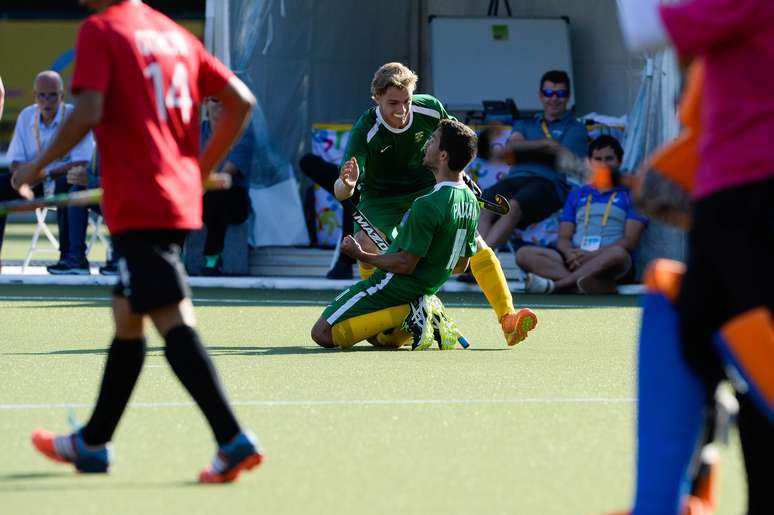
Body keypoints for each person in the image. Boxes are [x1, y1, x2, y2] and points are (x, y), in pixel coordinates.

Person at [12, 0, 262, 483]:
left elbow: (89, 109)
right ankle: (93, 444)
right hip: (171, 202)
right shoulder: (175, 35)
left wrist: (35, 166)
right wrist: (200, 169)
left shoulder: (102, 30)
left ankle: (232, 440)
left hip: (141, 204)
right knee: (128, 318)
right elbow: (241, 102)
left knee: (171, 318)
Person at [614, 1, 774, 514]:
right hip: (737, 196)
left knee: (742, 346)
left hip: (750, 198)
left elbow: (643, 26)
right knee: (691, 326)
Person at [334, 62, 537, 347]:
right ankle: (377, 319)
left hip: (429, 188)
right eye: (392, 103)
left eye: (406, 101)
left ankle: (509, 320)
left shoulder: (428, 107)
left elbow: (456, 141)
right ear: (376, 98)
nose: (402, 110)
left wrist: (462, 177)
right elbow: (340, 189)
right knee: (365, 245)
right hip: (382, 197)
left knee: (475, 242)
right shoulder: (365, 130)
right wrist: (349, 185)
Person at [311, 119, 480, 350]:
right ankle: (420, 309)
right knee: (377, 338)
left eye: (431, 141)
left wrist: (362, 254)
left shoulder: (428, 203)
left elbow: (405, 264)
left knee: (321, 334)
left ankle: (413, 309)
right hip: (425, 288)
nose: (426, 145)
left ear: (443, 156)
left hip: (392, 286)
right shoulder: (471, 201)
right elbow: (460, 265)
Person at [516, 135, 647, 294]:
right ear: (590, 162)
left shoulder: (633, 194)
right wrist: (570, 253)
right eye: (598, 159)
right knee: (524, 254)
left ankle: (558, 286)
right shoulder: (577, 194)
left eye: (609, 158)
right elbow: (564, 237)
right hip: (575, 259)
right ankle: (582, 284)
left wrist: (594, 255)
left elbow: (630, 241)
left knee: (619, 254)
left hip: (608, 260)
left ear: (619, 161)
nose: (603, 164)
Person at [477, 70, 588, 249]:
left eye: (560, 93)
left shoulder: (576, 128)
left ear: (568, 97)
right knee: (485, 204)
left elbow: (564, 158)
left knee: (511, 206)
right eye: (548, 93)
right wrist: (546, 144)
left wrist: (527, 146)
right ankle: (477, 263)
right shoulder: (526, 123)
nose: (554, 98)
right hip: (516, 179)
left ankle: (480, 264)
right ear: (540, 96)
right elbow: (512, 147)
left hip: (549, 183)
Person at [4, 70, 95, 273]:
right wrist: (23, 176)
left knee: (69, 184)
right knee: (1, 185)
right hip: (32, 184)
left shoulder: (73, 116)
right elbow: (15, 161)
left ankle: (71, 257)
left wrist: (43, 173)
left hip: (61, 181)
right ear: (34, 96)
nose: (47, 100)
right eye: (42, 95)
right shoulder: (26, 115)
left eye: (53, 95)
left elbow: (82, 161)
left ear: (62, 96)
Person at [196, 96, 252, 276]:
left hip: (233, 201)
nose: (220, 103)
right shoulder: (195, 133)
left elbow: (228, 173)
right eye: (214, 99)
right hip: (197, 196)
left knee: (218, 191)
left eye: (224, 99)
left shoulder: (242, 131)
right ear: (205, 103)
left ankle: (212, 258)